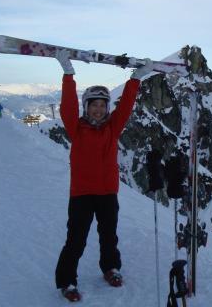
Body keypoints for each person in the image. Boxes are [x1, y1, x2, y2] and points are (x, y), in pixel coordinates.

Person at [54, 49, 154, 302]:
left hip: (108, 193)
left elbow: (127, 107)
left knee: (109, 235)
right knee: (76, 240)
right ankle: (67, 281)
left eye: (102, 105)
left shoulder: (113, 128)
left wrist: (135, 80)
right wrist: (68, 73)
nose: (98, 110)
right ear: (86, 107)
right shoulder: (76, 129)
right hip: (81, 194)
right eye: (93, 105)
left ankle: (110, 268)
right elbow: (67, 106)